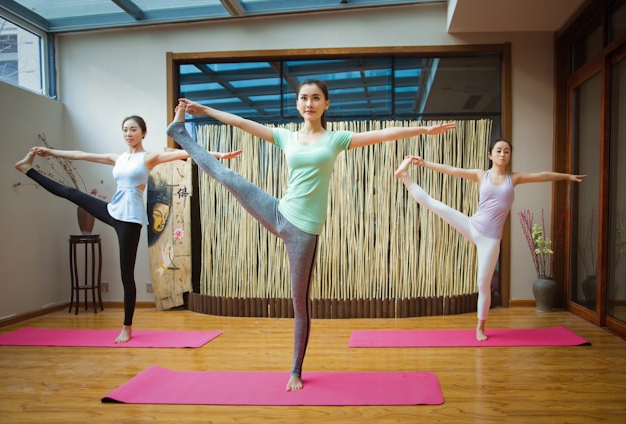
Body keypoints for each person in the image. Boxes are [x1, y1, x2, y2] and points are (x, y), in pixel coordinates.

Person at [165, 78, 456, 391]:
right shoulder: (286, 137)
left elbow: (383, 134)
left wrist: (422, 131)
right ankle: (180, 133)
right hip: (278, 211)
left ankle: (295, 370)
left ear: (326, 104)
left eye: (316, 98)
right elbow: (242, 122)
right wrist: (204, 109)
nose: (309, 104)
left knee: (299, 303)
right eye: (304, 98)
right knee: (227, 176)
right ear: (297, 103)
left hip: (304, 231)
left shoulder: (335, 140)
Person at [14, 115, 242, 343]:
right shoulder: (118, 158)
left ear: (143, 132)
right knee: (72, 194)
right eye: (125, 130)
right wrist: (51, 152)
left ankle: (127, 327)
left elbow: (186, 153)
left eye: (133, 129)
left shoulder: (149, 158)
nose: (128, 134)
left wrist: (219, 155)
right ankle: (27, 168)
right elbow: (82, 155)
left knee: (126, 275)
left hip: (130, 220)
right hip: (113, 210)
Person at [394, 138, 586, 341]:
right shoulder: (480, 175)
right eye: (499, 151)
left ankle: (480, 328)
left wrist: (567, 176)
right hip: (471, 225)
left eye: (507, 151)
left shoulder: (515, 178)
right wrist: (426, 163)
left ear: (509, 156)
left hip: (491, 239)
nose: (502, 154)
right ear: (490, 155)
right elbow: (451, 170)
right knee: (433, 204)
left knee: (482, 284)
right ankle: (405, 176)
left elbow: (542, 175)